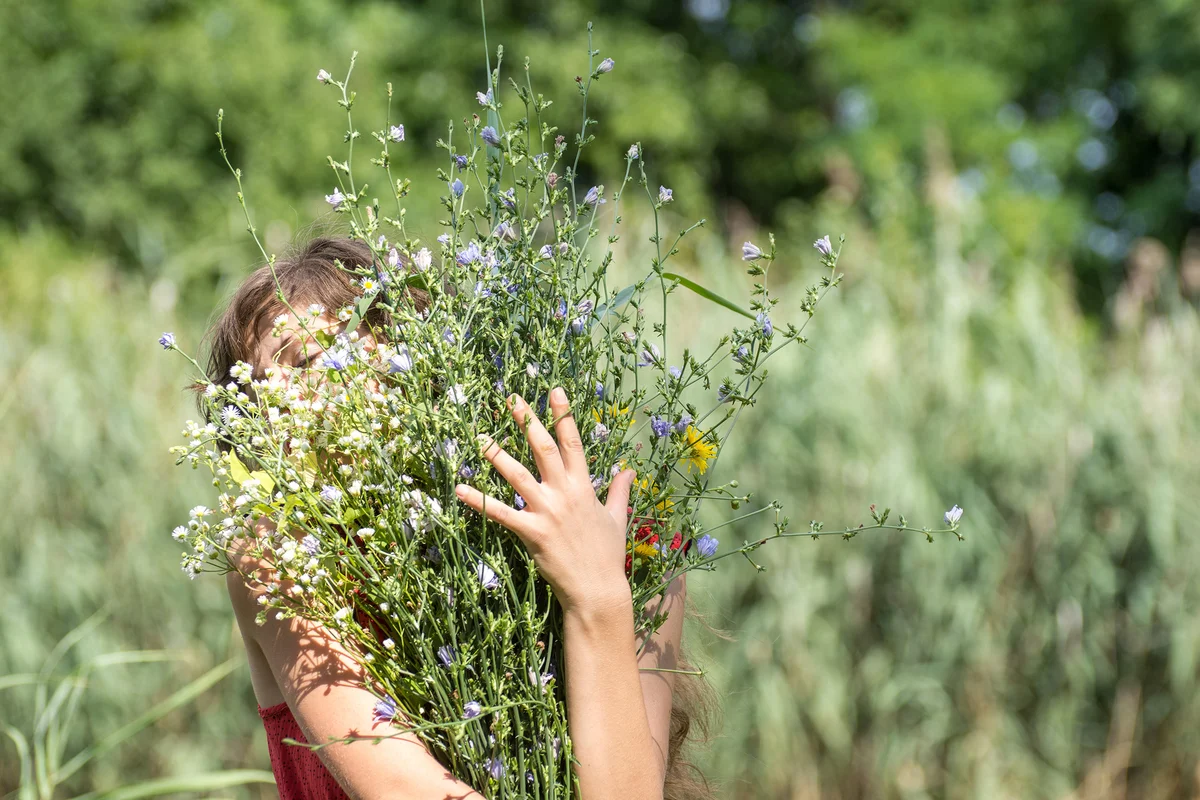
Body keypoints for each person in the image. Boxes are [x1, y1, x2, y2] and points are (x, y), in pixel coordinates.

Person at [201, 237, 713, 799]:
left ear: (416, 356)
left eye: (318, 354)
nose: (281, 400)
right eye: (259, 386)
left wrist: (597, 591)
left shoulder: (623, 539)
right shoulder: (280, 555)